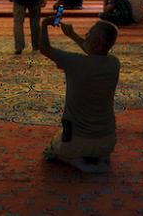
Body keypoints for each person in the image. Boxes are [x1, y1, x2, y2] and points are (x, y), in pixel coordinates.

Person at [38, 15, 120, 174]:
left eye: (89, 34)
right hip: (107, 142)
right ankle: (99, 158)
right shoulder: (114, 63)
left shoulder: (75, 62)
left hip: (77, 142)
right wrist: (71, 34)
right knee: (95, 147)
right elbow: (95, 51)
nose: (86, 36)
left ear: (96, 41)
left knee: (50, 150)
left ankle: (76, 161)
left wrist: (44, 25)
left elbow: (45, 49)